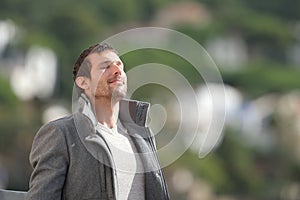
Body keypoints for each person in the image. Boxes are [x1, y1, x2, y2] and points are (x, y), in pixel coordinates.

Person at [26, 43, 169, 200]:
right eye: (105, 67)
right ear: (84, 82)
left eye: (120, 65)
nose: (117, 70)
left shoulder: (143, 135)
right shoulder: (62, 134)